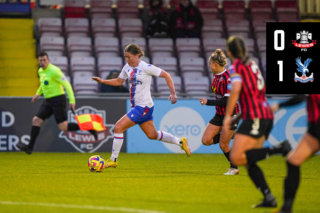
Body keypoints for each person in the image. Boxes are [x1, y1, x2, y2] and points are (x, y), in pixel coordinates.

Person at [92, 44, 191, 168]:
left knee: (118, 127)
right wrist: (102, 81)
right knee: (152, 135)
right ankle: (180, 141)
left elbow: (166, 75)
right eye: (125, 57)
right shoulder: (127, 67)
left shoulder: (146, 67)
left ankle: (113, 160)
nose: (127, 60)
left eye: (129, 57)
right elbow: (118, 81)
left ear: (137, 55)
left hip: (143, 107)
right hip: (140, 107)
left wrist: (173, 93)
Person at [223, 36, 291, 208]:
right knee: (248, 160)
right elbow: (253, 94)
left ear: (229, 52)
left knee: (237, 157)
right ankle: (268, 197)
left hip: (256, 116)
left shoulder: (236, 66)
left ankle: (279, 148)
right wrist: (238, 118)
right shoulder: (252, 64)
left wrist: (228, 116)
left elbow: (237, 89)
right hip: (264, 114)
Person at [16, 52, 97, 154]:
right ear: (38, 61)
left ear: (48, 60)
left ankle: (88, 127)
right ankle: (29, 147)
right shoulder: (41, 71)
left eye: (44, 60)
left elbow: (67, 85)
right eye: (40, 60)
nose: (42, 62)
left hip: (58, 100)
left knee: (63, 127)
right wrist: (38, 93)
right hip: (48, 100)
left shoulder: (55, 71)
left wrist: (72, 100)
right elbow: (43, 83)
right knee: (36, 120)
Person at [270, 95, 320, 213]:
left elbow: (300, 97)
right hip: (314, 128)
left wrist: (278, 105)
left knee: (293, 161)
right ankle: (286, 209)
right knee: (293, 161)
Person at [199, 49, 240, 175]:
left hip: (231, 114)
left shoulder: (228, 78)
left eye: (210, 63)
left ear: (215, 63)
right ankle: (234, 135)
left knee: (223, 145)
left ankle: (234, 168)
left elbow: (227, 100)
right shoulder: (215, 76)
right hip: (219, 114)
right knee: (206, 140)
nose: (209, 66)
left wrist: (208, 102)